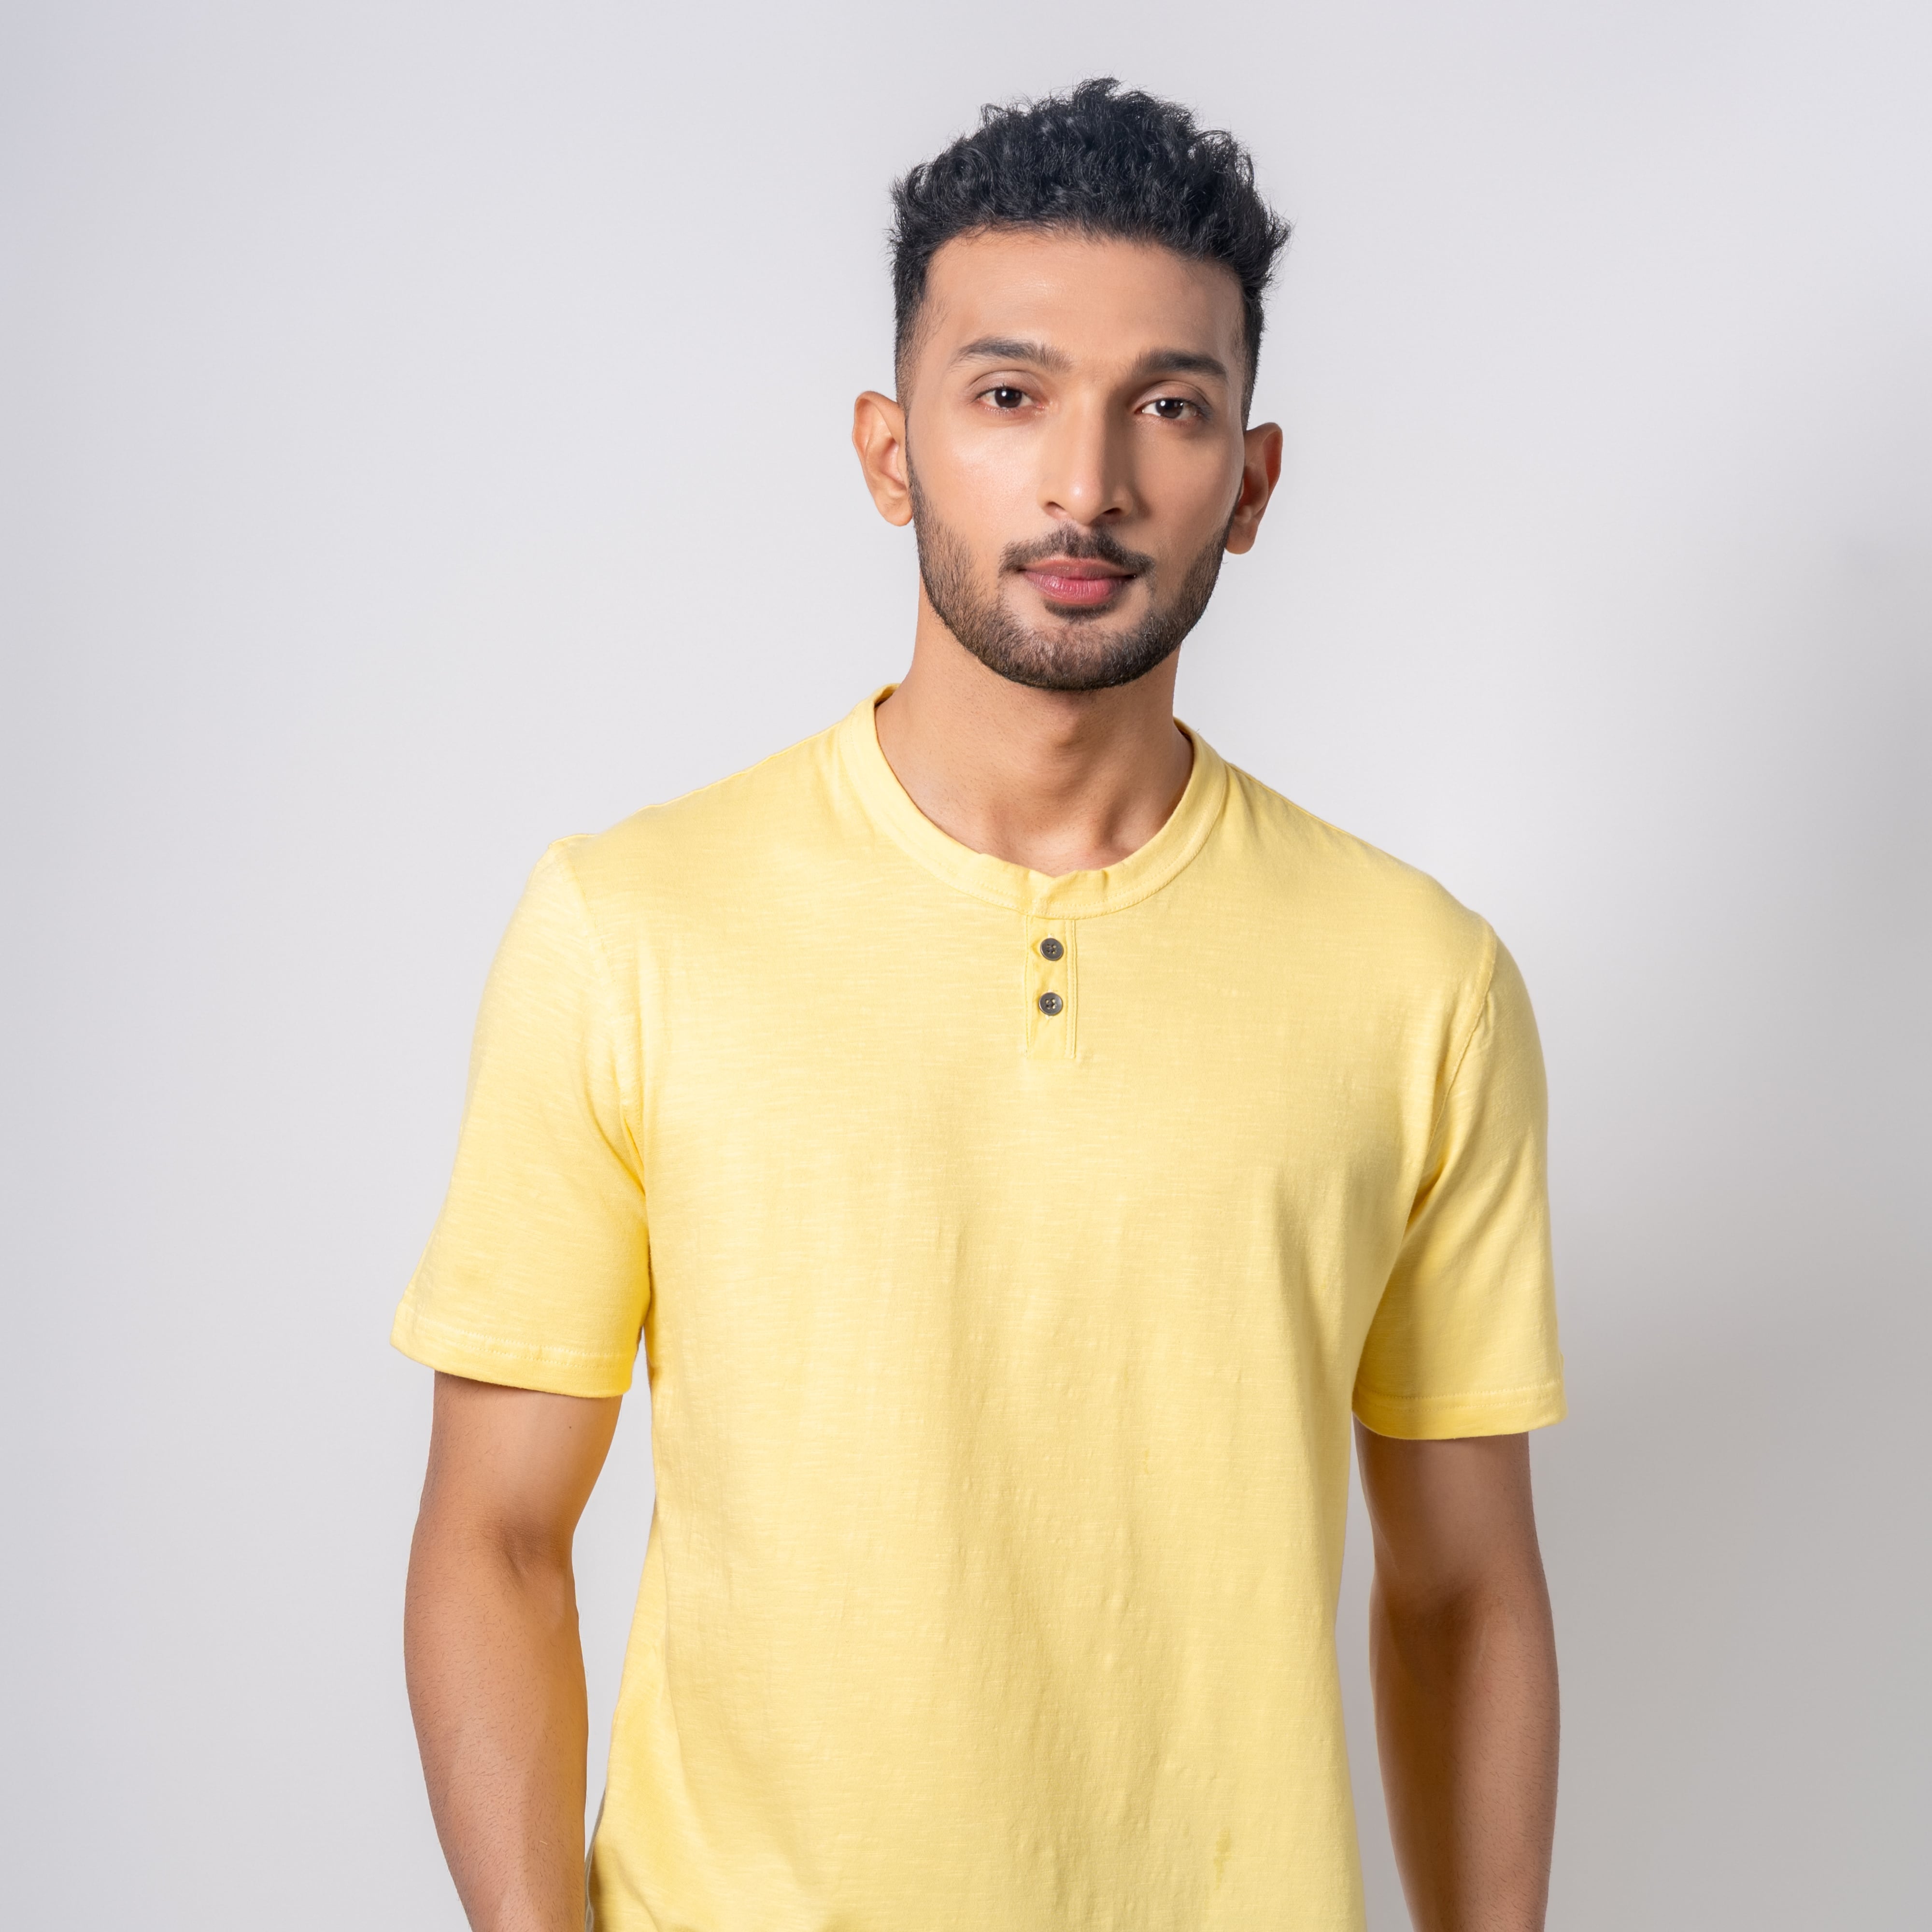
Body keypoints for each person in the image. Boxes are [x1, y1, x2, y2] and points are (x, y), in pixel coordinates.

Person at [396, 78, 1565, 1932]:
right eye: (1009, 396)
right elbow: (494, 1540)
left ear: (1250, 483)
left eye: (1167, 408)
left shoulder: (1419, 984)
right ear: (890, 451)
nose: (1084, 484)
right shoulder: (633, 927)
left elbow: (1464, 1593)